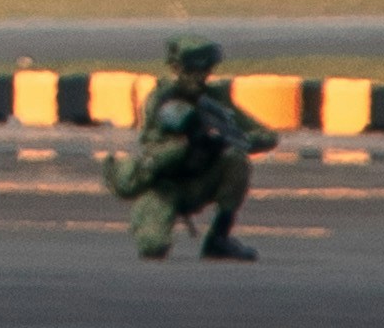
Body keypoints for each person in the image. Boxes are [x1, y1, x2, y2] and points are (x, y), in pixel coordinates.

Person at [114, 35, 272, 260]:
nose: (198, 77)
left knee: (236, 161)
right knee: (152, 248)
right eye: (191, 71)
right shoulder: (162, 102)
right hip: (164, 187)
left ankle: (219, 238)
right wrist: (188, 142)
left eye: (204, 70)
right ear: (177, 68)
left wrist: (231, 141)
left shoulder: (214, 101)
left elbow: (265, 135)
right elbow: (155, 154)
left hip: (201, 180)